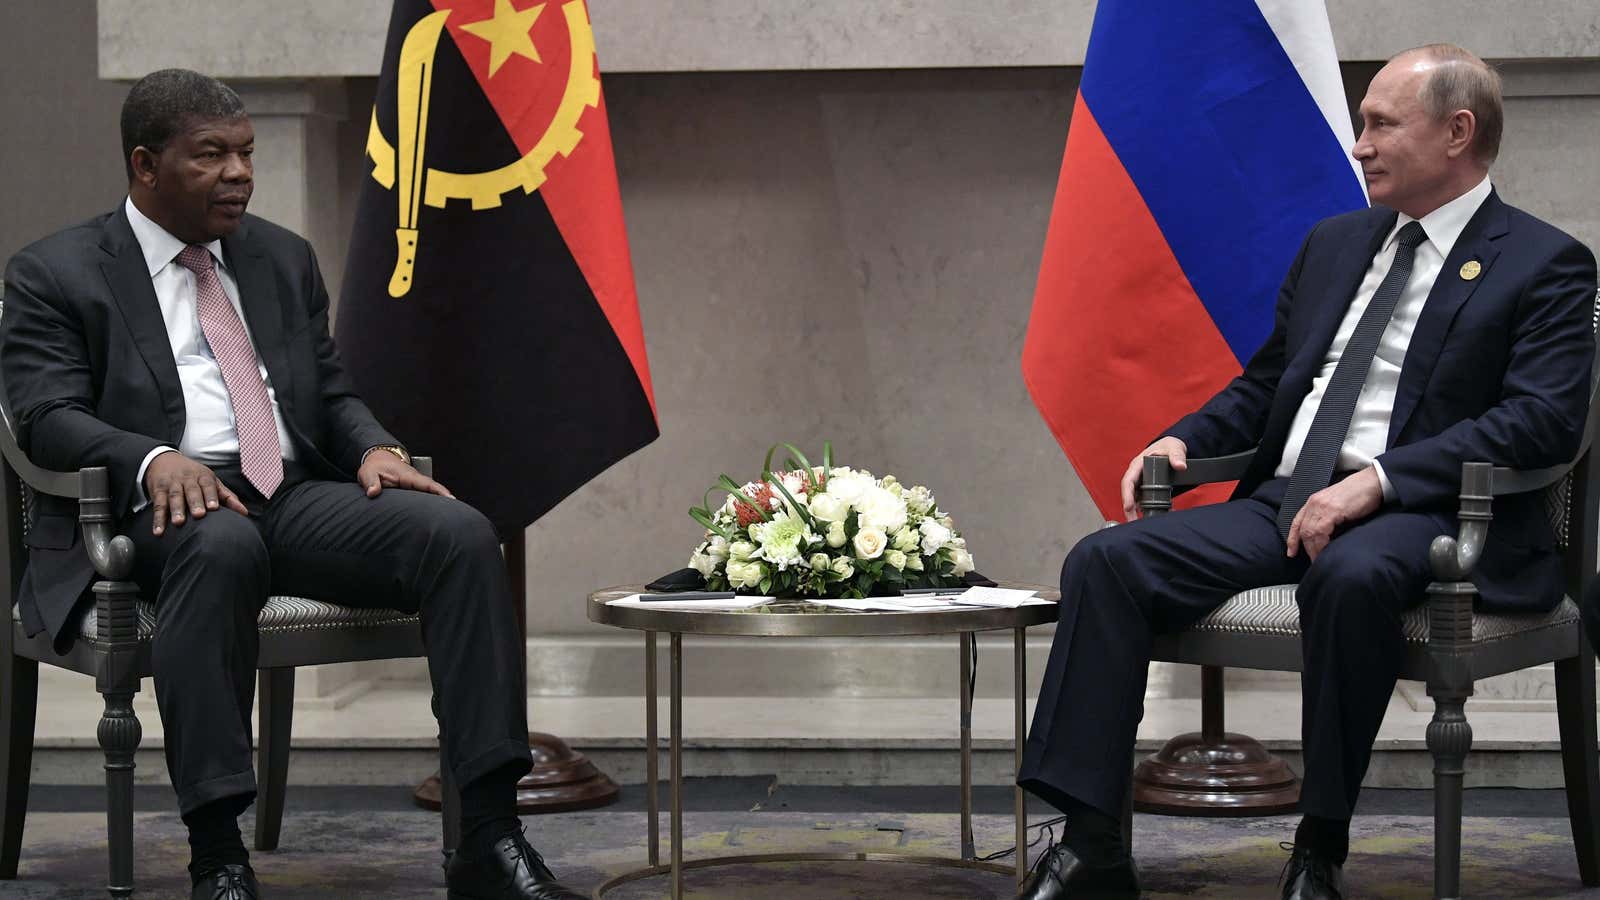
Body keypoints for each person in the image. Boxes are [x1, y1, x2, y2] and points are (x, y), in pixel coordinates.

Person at [1016, 44, 1597, 900]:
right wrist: (1182, 439)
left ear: (1456, 132)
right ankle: (1093, 844)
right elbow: (1267, 382)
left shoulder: (1544, 263)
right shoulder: (1336, 243)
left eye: (1380, 124)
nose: (1358, 144)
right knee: (1106, 562)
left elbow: (1541, 420)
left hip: (1428, 515)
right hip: (1286, 498)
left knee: (1351, 577)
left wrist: (1381, 481)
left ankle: (1319, 848)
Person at [0, 69, 583, 900]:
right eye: (211, 155)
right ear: (145, 164)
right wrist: (150, 457)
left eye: (246, 153)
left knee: (457, 535)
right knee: (222, 542)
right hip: (156, 510)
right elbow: (44, 414)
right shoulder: (55, 272)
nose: (239, 173)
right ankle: (219, 854)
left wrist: (374, 447)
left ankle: (488, 836)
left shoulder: (279, 255)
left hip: (292, 492)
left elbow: (330, 393)